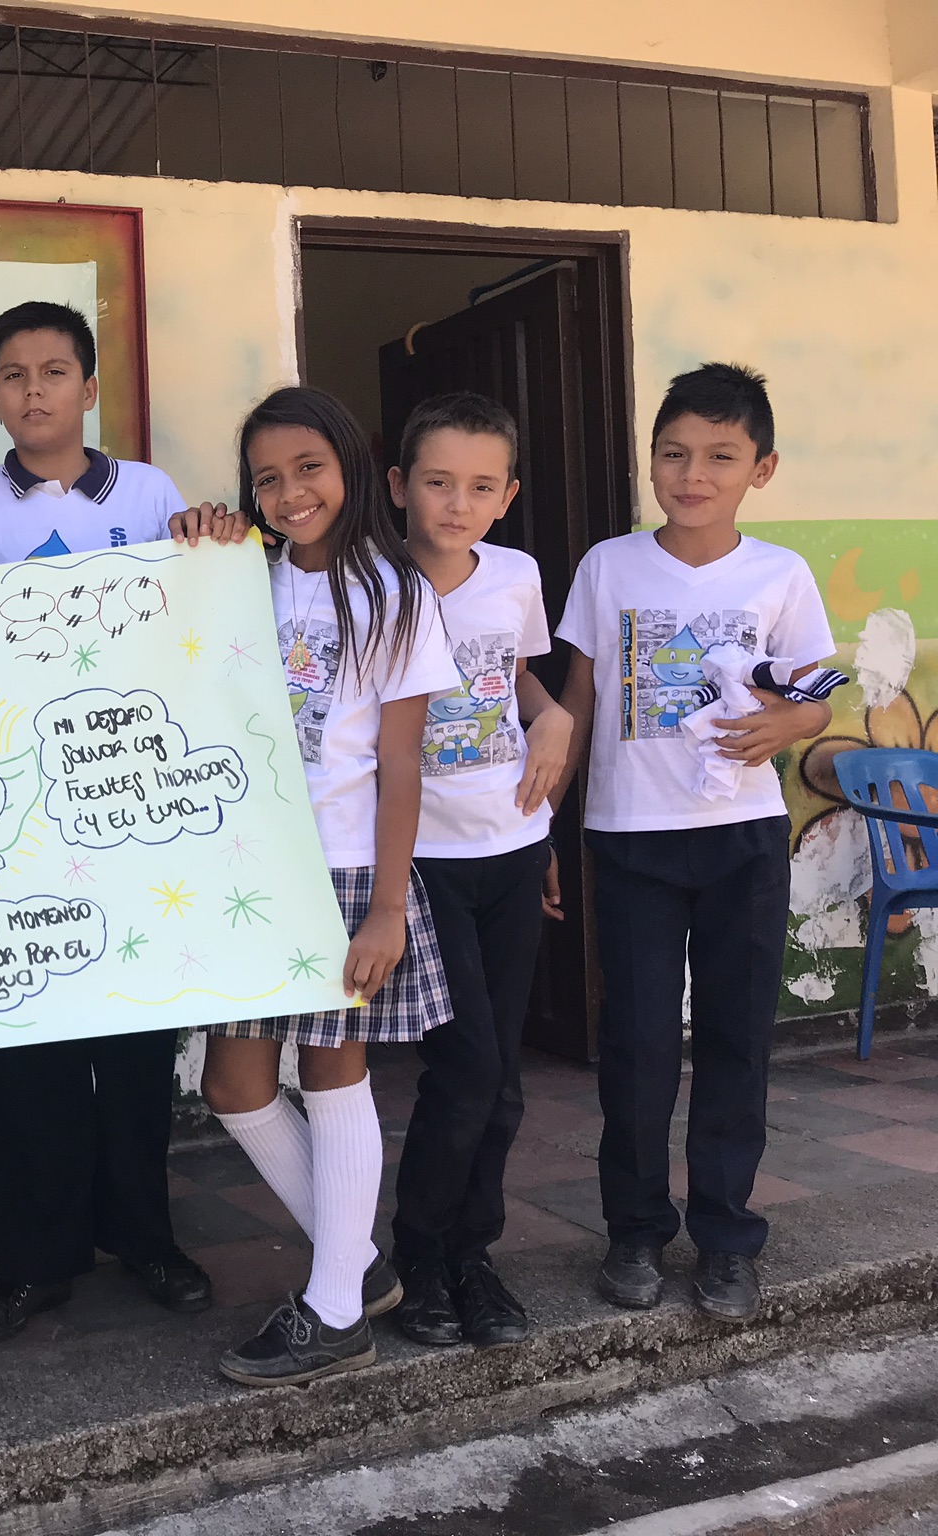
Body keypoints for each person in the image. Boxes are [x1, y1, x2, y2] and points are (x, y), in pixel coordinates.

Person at [0, 300, 239, 1345]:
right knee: (23, 1052)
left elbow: (196, 613)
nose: (34, 389)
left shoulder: (147, 493)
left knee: (136, 1044)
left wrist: (216, 540)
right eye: (13, 373)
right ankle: (31, 1263)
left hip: (128, 805)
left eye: (54, 371)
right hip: (11, 818)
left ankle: (145, 1238)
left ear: (89, 388)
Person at [558, 364, 839, 1324]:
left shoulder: (779, 574)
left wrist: (788, 724)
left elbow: (813, 698)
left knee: (734, 1038)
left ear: (761, 468)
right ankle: (635, 1231)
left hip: (743, 838)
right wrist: (543, 825)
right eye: (674, 453)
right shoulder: (608, 566)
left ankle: (727, 1238)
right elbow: (578, 702)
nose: (693, 475)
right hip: (631, 836)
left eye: (721, 456)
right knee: (637, 1044)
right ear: (651, 460)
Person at [203, 386, 457, 1388]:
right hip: (251, 872)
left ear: (352, 465)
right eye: (266, 477)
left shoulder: (394, 594)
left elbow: (401, 763)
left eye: (307, 467)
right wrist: (200, 542)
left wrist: (388, 908)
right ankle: (352, 1266)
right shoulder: (244, 579)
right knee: (232, 1085)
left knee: (330, 1070)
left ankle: (335, 1311)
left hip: (343, 868)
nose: (289, 491)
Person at [384, 393, 573, 1349]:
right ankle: (419, 1258)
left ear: (507, 496)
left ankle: (472, 1255)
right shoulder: (368, 584)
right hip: (420, 859)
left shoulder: (517, 575)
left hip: (511, 845)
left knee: (500, 1082)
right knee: (466, 1067)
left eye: (480, 486)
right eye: (438, 482)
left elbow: (518, 681)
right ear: (399, 486)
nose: (458, 504)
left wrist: (556, 716)